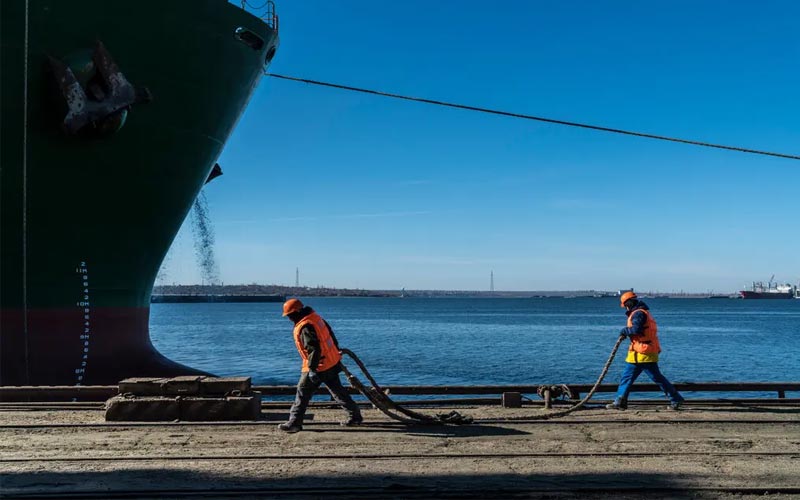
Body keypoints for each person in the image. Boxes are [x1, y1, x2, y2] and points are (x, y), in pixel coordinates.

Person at [277, 298, 363, 433]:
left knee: (302, 393)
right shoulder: (315, 318)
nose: (289, 318)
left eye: (290, 315)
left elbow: (314, 349)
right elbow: (330, 334)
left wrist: (312, 369)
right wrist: (336, 351)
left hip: (318, 365)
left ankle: (294, 423)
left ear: (297, 313)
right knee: (338, 391)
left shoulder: (305, 326)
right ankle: (355, 416)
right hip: (331, 362)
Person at [607, 291, 685, 411]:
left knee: (656, 378)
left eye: (625, 305)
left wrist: (625, 331)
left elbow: (636, 329)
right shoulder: (642, 312)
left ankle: (675, 398)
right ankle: (620, 402)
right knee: (627, 378)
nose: (625, 308)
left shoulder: (638, 314)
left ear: (628, 303)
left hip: (644, 353)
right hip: (638, 353)